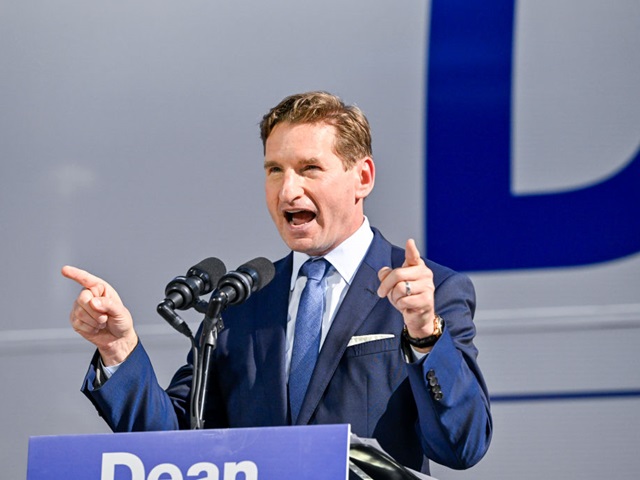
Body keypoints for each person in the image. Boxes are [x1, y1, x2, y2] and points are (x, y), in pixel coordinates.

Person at [62, 91, 492, 474]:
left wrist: (423, 334)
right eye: (275, 170)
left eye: (309, 169)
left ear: (362, 178)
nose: (288, 191)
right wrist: (118, 349)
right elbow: (172, 444)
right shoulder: (241, 300)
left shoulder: (430, 294)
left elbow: (461, 446)